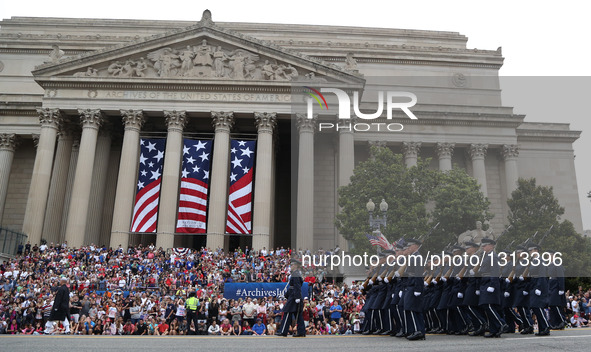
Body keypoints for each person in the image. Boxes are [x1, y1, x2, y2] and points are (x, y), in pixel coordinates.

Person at [478, 238, 507, 338]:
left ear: (491, 246)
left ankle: (502, 323)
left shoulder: (493, 256)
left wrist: (492, 285)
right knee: (487, 307)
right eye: (483, 245)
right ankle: (494, 330)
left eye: (485, 245)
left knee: (488, 306)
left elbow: (495, 272)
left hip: (490, 283)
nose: (483, 247)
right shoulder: (485, 256)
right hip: (484, 282)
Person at [277, 258, 306, 337]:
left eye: (292, 265)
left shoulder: (296, 274)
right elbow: (292, 287)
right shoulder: (295, 273)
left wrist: (297, 297)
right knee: (298, 314)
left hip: (294, 297)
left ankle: (283, 331)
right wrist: (285, 295)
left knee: (287, 312)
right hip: (293, 295)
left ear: (296, 266)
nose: (291, 266)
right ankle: (301, 332)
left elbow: (297, 286)